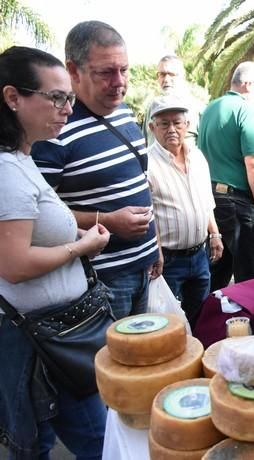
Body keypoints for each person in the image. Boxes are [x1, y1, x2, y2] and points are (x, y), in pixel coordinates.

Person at [0, 45, 110, 459]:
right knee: (65, 442)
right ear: (13, 98)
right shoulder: (7, 171)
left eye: (70, 97)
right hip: (40, 345)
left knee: (53, 439)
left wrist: (80, 233)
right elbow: (14, 264)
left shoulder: (21, 159)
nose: (68, 108)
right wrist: (82, 245)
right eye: (57, 97)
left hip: (53, 336)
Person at [32, 20, 162, 320]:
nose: (119, 82)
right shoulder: (53, 130)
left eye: (124, 70)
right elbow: (36, 215)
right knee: (109, 366)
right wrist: (106, 221)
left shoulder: (126, 113)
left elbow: (140, 183)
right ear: (73, 71)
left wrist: (155, 246)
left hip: (144, 269)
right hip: (99, 281)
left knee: (143, 362)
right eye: (106, 72)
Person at [147, 95, 222, 328]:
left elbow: (205, 199)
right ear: (152, 127)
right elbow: (148, 213)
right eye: (164, 123)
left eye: (177, 122)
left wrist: (215, 234)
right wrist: (156, 251)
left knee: (200, 317)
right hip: (168, 259)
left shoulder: (197, 157)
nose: (172, 129)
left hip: (200, 255)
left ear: (187, 125)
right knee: (168, 323)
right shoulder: (147, 162)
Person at [197, 61, 254, 290]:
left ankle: (206, 324)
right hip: (238, 203)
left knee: (218, 274)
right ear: (248, 85)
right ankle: (252, 326)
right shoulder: (247, 110)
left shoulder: (210, 108)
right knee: (249, 276)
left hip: (212, 200)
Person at [143, 55, 206, 146]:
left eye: (172, 74)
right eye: (162, 74)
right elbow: (145, 142)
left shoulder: (198, 109)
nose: (166, 79)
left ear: (183, 76)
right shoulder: (152, 107)